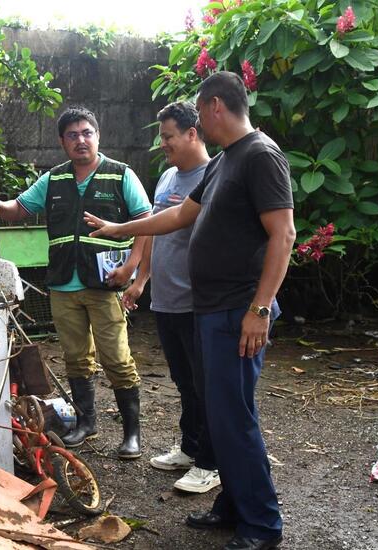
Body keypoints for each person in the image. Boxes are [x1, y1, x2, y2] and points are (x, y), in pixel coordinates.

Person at [84, 72, 295, 550]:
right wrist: (121, 229)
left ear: (215, 106)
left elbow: (283, 235)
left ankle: (262, 525)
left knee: (234, 417)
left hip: (238, 310)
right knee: (218, 416)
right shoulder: (225, 162)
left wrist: (259, 309)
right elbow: (181, 215)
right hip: (211, 309)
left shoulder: (261, 156)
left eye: (199, 112)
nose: (197, 121)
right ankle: (233, 506)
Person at [0, 106, 151, 459]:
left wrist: (132, 268)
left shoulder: (120, 175)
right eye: (72, 135)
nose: (80, 140)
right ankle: (86, 422)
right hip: (65, 284)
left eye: (87, 133)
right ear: (62, 142)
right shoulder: (54, 179)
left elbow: (146, 221)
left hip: (106, 283)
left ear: (97, 136)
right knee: (76, 358)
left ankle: (132, 434)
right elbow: (18, 208)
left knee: (116, 358)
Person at [122, 102, 220, 494]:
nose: (163, 144)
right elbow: (155, 235)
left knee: (206, 385)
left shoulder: (213, 175)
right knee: (183, 381)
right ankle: (190, 446)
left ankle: (211, 463)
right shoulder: (166, 178)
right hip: (166, 299)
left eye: (169, 137)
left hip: (199, 302)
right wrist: (142, 279)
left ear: (192, 133)